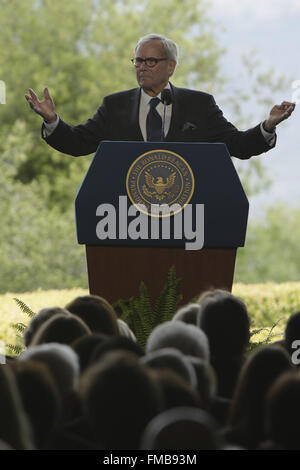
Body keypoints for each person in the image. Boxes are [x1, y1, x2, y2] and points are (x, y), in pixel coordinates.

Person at [25, 34, 295, 159]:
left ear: (171, 66)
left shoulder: (199, 105)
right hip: (125, 216)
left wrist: (268, 126)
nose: (142, 67)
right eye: (138, 61)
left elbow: (237, 145)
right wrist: (52, 120)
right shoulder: (115, 106)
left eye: (150, 61)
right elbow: (78, 143)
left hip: (187, 214)